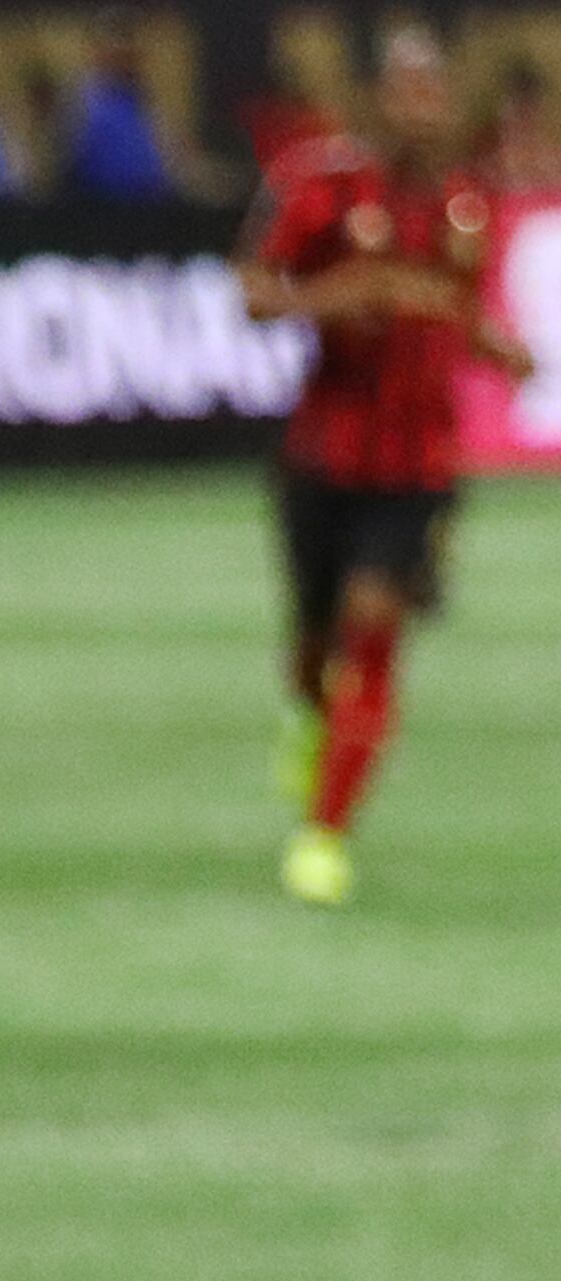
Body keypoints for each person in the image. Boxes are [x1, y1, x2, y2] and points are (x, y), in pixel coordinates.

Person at [239, 28, 536, 906]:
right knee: (313, 641)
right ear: (379, 101)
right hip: (324, 454)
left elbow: (454, 309)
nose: (423, 109)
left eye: (434, 92)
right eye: (407, 92)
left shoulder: (466, 203)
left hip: (420, 462)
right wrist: (336, 297)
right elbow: (253, 288)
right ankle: (306, 713)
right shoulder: (323, 186)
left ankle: (324, 836)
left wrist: (496, 349)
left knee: (376, 625)